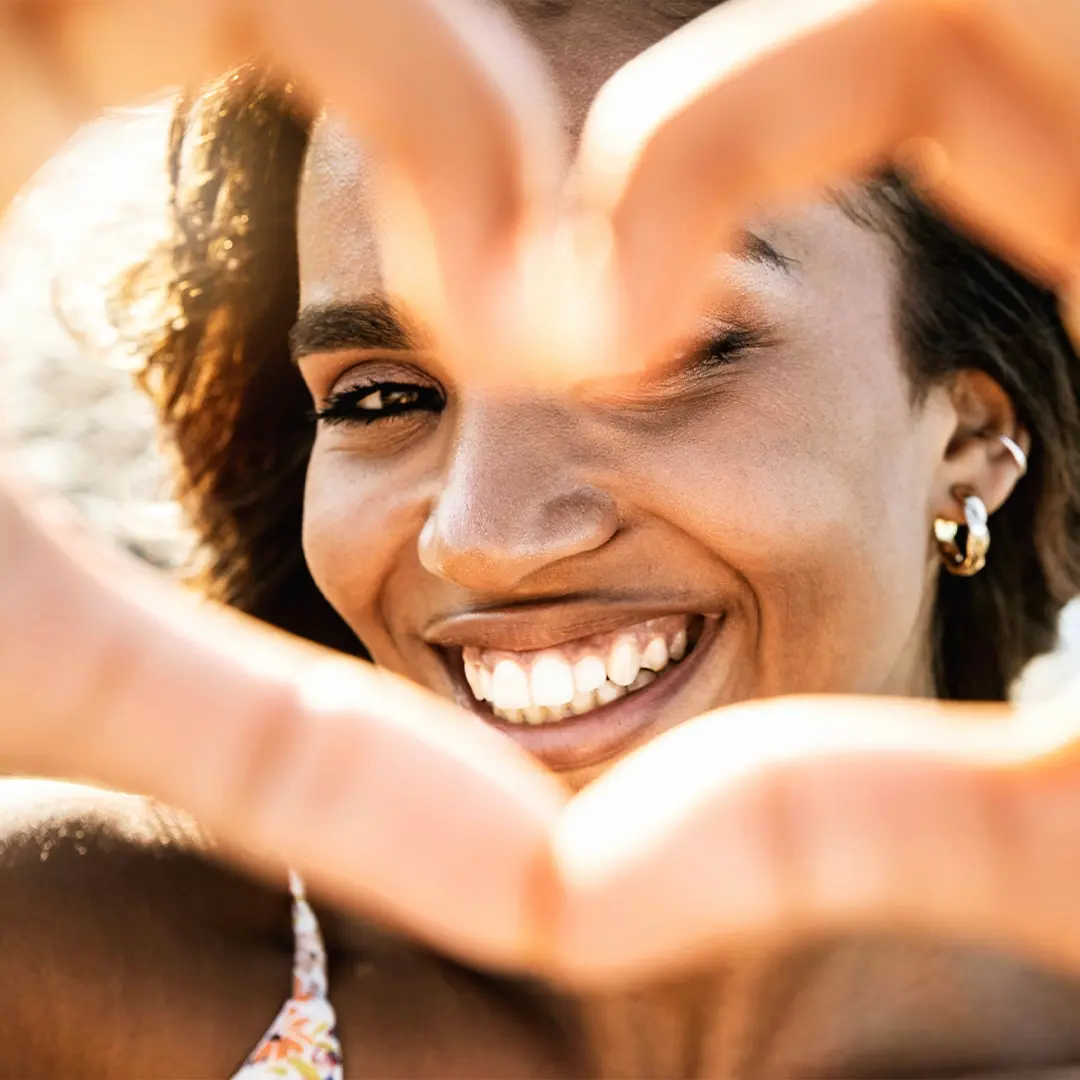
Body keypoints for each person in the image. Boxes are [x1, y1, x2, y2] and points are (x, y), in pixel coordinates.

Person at [7, 0, 1080, 1075]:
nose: (483, 538)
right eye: (382, 399)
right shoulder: (60, 963)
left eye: (661, 359)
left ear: (972, 437)